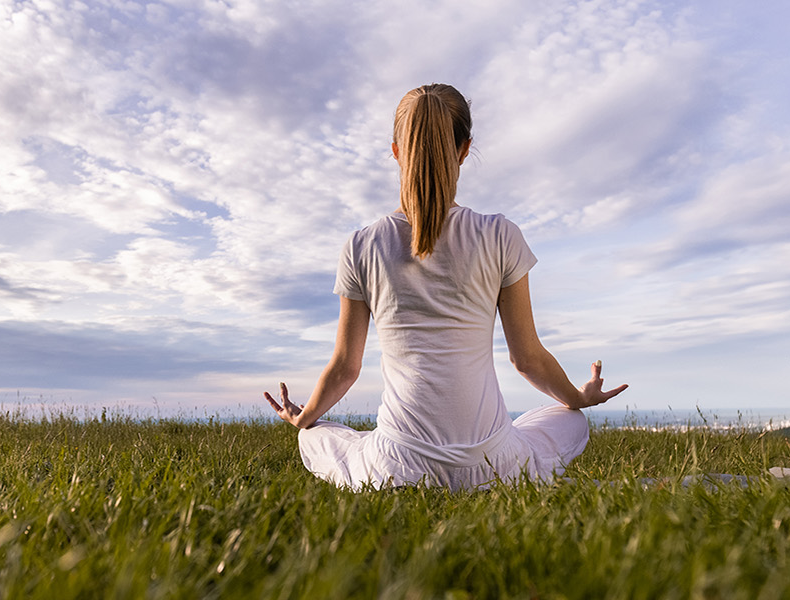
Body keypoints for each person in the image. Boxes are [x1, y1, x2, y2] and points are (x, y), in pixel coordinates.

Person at [264, 83, 628, 491]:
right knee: (570, 421)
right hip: (494, 466)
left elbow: (345, 367)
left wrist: (305, 415)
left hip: (397, 466)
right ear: (464, 149)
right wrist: (579, 399)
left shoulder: (362, 245)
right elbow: (527, 359)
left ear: (397, 151)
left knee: (315, 436)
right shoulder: (500, 235)